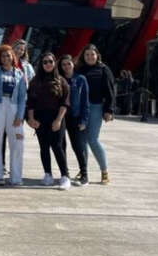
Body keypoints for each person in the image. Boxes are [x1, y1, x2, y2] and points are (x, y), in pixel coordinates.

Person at [26, 52, 72, 189]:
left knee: (57, 146)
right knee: (44, 147)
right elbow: (31, 103)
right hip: (40, 118)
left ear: (54, 63)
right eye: (45, 62)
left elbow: (65, 103)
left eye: (50, 61)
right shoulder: (35, 81)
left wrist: (58, 120)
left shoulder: (61, 81)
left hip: (56, 117)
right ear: (41, 64)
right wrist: (31, 119)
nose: (48, 64)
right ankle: (48, 174)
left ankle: (65, 176)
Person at [0, 44, 27, 186]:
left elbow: (23, 97)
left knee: (17, 141)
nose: (5, 58)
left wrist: (20, 115)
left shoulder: (20, 74)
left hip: (14, 107)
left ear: (13, 57)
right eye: (3, 56)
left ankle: (16, 177)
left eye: (8, 55)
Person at [76, 44, 114, 185]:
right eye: (87, 54)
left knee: (92, 139)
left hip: (95, 107)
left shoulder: (103, 69)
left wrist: (109, 110)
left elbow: (110, 91)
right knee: (82, 141)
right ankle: (83, 170)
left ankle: (104, 171)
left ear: (97, 55)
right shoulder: (79, 69)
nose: (90, 57)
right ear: (83, 56)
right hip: (80, 108)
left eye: (92, 54)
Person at [59, 55, 89, 186]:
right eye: (63, 64)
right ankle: (65, 173)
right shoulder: (59, 79)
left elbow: (85, 101)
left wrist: (84, 120)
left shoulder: (81, 79)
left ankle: (84, 175)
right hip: (61, 116)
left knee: (78, 146)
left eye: (68, 64)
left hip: (75, 117)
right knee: (61, 145)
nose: (66, 66)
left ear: (73, 64)